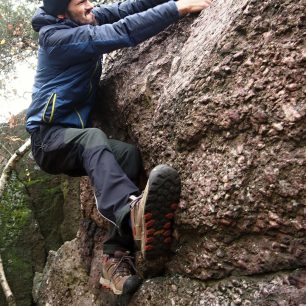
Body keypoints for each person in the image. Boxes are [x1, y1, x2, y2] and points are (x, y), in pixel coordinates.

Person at [26, 0, 213, 296]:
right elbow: (121, 32)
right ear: (62, 13)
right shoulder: (55, 39)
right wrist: (178, 8)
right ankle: (130, 214)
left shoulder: (86, 19)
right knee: (93, 138)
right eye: (81, 2)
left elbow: (130, 8)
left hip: (72, 138)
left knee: (126, 154)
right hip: (48, 140)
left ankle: (114, 258)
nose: (90, 5)